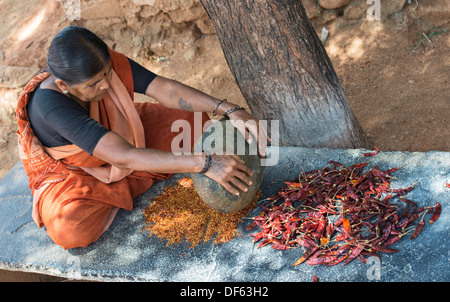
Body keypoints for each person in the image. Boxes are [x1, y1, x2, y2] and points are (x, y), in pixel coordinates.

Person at [16, 26, 269, 249]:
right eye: (93, 84)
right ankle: (131, 178)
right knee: (70, 227)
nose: (105, 85)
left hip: (114, 136)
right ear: (63, 86)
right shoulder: (50, 105)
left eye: (107, 74)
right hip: (76, 170)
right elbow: (124, 156)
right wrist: (206, 163)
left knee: (189, 120)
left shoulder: (100, 65)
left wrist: (231, 109)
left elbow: (165, 89)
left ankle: (144, 170)